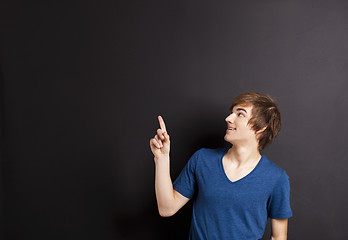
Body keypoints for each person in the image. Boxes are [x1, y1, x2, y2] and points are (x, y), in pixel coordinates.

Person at [149, 92, 293, 240]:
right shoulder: (202, 159)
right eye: (231, 113)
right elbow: (167, 208)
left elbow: (279, 237)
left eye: (240, 114)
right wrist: (162, 158)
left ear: (261, 127)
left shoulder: (276, 178)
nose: (228, 118)